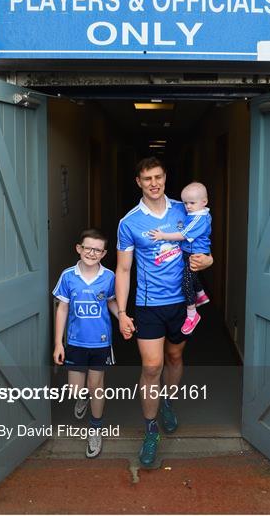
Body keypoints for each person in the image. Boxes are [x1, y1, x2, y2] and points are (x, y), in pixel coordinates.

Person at [116, 157, 213, 466]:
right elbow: (122, 269)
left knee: (174, 358)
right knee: (152, 367)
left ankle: (167, 401)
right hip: (148, 306)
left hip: (181, 303)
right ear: (139, 182)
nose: (154, 183)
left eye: (158, 176)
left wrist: (208, 261)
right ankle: (150, 430)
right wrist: (121, 312)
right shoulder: (129, 222)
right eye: (147, 179)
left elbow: (203, 247)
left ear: (165, 177)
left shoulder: (184, 209)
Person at [53, 228, 119, 458]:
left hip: (100, 342)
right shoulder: (68, 276)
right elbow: (62, 309)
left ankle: (96, 428)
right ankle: (82, 397)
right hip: (75, 342)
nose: (92, 253)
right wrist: (58, 344)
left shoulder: (109, 277)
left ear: (104, 253)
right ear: (79, 249)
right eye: (88, 248)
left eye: (97, 250)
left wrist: (124, 317)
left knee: (96, 386)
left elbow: (111, 302)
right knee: (75, 389)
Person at [148, 181, 211, 335]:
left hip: (194, 253)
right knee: (190, 274)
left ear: (204, 202)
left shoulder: (198, 218)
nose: (188, 206)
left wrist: (162, 235)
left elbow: (183, 235)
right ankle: (201, 295)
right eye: (185, 203)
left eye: (192, 203)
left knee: (186, 282)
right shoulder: (197, 213)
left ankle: (192, 314)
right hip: (191, 252)